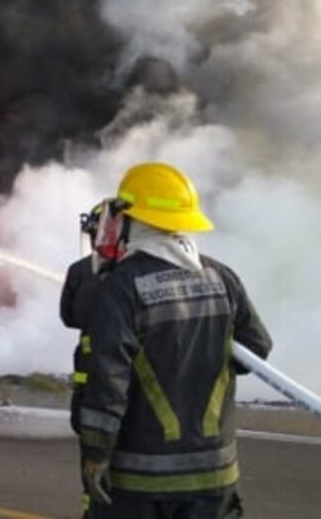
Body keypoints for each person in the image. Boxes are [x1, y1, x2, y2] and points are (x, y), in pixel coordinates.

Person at [76, 163, 273, 518]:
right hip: (215, 478)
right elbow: (256, 348)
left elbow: (107, 382)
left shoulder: (120, 289)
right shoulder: (223, 278)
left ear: (132, 221)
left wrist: (95, 454)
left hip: (141, 484)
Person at [60, 201, 106, 434]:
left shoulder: (80, 270)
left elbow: (68, 318)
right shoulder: (148, 271)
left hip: (90, 366)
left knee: (89, 430)